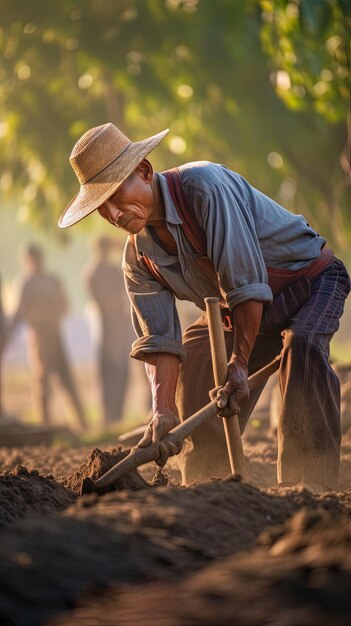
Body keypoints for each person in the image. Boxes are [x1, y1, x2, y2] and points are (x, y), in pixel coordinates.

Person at [58, 122, 350, 492]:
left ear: (145, 172)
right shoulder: (137, 258)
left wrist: (240, 366)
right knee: (195, 362)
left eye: (117, 195)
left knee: (302, 349)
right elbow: (161, 340)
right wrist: (162, 409)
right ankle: (208, 484)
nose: (114, 214)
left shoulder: (204, 187)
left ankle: (308, 485)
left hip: (309, 282)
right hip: (242, 310)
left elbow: (244, 286)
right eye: (102, 208)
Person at [6, 244, 87, 429]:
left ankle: (82, 422)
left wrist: (52, 313)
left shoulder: (53, 280)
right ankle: (45, 422)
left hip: (55, 335)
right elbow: (19, 312)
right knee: (42, 381)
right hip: (38, 337)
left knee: (66, 378)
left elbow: (65, 305)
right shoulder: (25, 283)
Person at [83, 235, 132, 425]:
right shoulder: (93, 273)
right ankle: (109, 416)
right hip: (105, 327)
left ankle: (117, 415)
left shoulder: (111, 270)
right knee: (108, 371)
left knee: (121, 370)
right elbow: (102, 302)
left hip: (117, 325)